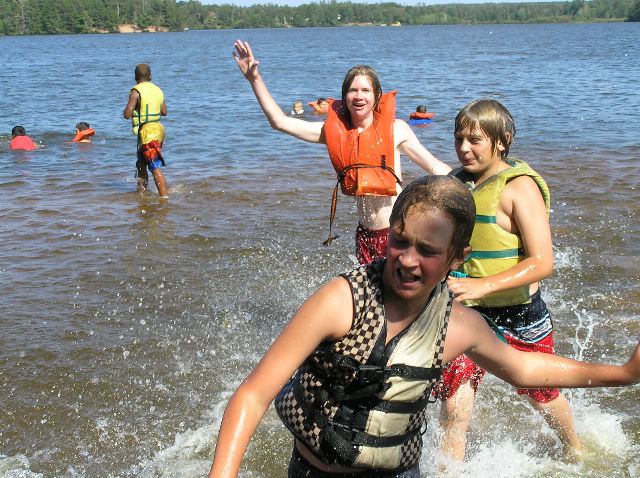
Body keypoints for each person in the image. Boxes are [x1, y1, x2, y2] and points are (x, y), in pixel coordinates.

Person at [208, 175, 640, 478]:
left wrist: (623, 374)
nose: (408, 260)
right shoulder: (341, 301)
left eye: (428, 250)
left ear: (458, 257)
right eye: (400, 240)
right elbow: (253, 394)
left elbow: (526, 369)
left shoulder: (459, 325)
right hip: (314, 471)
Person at [411, 99, 581, 461]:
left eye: (474, 140)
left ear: (502, 141)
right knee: (454, 396)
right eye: (459, 139)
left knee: (540, 391)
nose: (464, 148)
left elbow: (542, 262)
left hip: (519, 313)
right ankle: (450, 469)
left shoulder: (519, 188)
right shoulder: (455, 185)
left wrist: (483, 285)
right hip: (465, 312)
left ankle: (576, 449)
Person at [232, 39, 449, 265]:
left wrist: (469, 182)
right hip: (365, 236)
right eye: (353, 90)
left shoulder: (397, 129)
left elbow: (434, 166)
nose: (359, 96)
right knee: (368, 288)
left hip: (397, 233)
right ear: (345, 97)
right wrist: (254, 79)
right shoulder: (333, 132)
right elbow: (280, 122)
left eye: (366, 90)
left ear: (377, 96)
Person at [123, 63, 168, 197]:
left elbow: (127, 114)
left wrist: (134, 109)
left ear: (135, 77)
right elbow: (164, 112)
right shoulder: (158, 90)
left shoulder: (135, 92)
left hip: (148, 132)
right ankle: (141, 194)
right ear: (150, 77)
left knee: (154, 165)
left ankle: (164, 197)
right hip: (158, 129)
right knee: (141, 164)